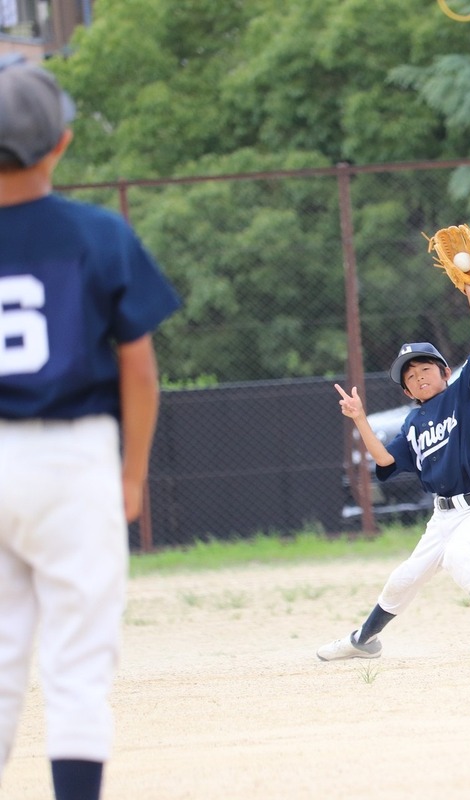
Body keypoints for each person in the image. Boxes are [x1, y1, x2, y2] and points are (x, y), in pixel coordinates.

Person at [0, 55, 180, 799]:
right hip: (73, 459)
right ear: (62, 143)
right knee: (75, 670)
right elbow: (138, 369)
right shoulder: (98, 233)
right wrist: (132, 473)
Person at [317, 283, 470, 661]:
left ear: (445, 371)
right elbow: (385, 461)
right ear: (406, 390)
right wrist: (360, 419)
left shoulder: (461, 393)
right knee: (404, 577)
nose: (418, 378)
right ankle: (363, 640)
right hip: (442, 515)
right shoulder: (413, 423)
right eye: (410, 378)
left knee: (459, 557)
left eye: (425, 369)